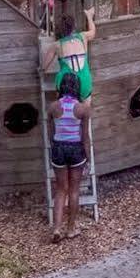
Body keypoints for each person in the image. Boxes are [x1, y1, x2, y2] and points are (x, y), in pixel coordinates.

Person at [46, 72, 91, 240]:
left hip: (58, 148)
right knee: (73, 190)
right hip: (75, 149)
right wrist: (88, 157)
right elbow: (85, 137)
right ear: (77, 87)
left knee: (60, 190)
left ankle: (56, 229)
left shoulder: (52, 107)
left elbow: (51, 133)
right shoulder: (83, 108)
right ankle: (71, 229)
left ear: (61, 86)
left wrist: (55, 147)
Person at [45, 9, 97, 100]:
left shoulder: (56, 45)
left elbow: (43, 67)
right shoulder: (82, 37)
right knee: (85, 111)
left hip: (66, 86)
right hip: (85, 83)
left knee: (62, 108)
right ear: (73, 27)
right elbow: (93, 32)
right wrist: (89, 16)